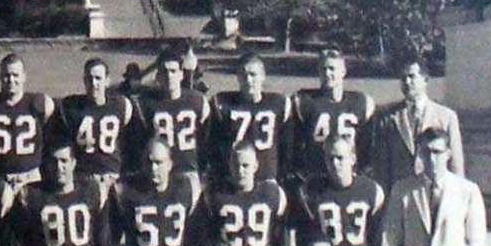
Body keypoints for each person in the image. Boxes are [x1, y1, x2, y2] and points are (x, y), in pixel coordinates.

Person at [383, 127, 487, 246]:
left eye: (438, 152)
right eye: (427, 151)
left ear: (448, 154)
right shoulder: (403, 190)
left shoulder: (467, 191)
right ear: (420, 153)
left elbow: (477, 243)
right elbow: (394, 239)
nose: (432, 158)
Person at [12, 141, 109, 246]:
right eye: (54, 161)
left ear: (73, 163)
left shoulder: (91, 191)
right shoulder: (33, 196)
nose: (59, 167)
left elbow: (103, 240)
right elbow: (21, 241)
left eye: (64, 161)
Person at [372, 57, 463, 193]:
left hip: (435, 192)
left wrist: (456, 197)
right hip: (401, 195)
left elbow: (456, 165)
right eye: (403, 78)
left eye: (411, 76)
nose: (407, 82)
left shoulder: (446, 117)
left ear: (425, 79)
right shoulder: (388, 118)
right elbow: (381, 167)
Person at [0, 52, 55, 189]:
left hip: (29, 176)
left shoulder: (38, 103)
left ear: (24, 77)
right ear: (0, 77)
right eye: (6, 75)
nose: (11, 80)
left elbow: (47, 134)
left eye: (15, 75)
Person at [291, 49, 376, 184]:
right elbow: (295, 143)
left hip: (348, 176)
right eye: (323, 69)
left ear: (343, 71)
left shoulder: (361, 102)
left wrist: (361, 172)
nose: (327, 73)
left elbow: (367, 145)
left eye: (332, 68)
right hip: (316, 174)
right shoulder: (305, 101)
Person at [208, 52, 291, 185]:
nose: (248, 80)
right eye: (244, 75)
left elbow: (286, 145)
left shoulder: (278, 104)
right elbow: (215, 144)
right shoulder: (223, 104)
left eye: (253, 74)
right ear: (238, 77)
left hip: (266, 177)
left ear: (263, 76)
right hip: (235, 178)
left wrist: (281, 173)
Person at [60, 57, 136, 193]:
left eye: (98, 78)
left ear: (107, 81)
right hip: (84, 177)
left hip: (112, 176)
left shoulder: (121, 105)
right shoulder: (71, 107)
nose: (94, 83)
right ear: (84, 80)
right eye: (90, 79)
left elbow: (128, 141)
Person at [135, 45, 210, 176]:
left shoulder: (197, 101)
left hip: (189, 170)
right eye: (164, 71)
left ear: (181, 74)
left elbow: (207, 139)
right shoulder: (145, 104)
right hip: (160, 172)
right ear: (157, 76)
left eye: (173, 71)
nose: (169, 76)